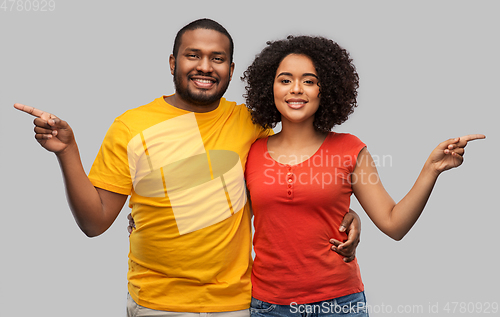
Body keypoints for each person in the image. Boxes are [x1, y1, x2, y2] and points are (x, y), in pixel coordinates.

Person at [13, 19, 361, 316]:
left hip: (236, 304)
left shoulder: (252, 122)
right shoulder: (131, 126)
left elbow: (295, 176)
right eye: (193, 55)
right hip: (156, 304)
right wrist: (68, 151)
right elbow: (95, 223)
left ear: (231, 69)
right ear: (172, 62)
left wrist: (345, 214)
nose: (205, 67)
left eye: (217, 58)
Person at [241, 35, 485, 316]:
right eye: (285, 80)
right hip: (268, 306)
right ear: (268, 87)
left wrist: (431, 170)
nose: (296, 89)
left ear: (326, 89)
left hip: (339, 305)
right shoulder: (252, 151)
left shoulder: (349, 149)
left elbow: (394, 225)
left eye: (309, 81)